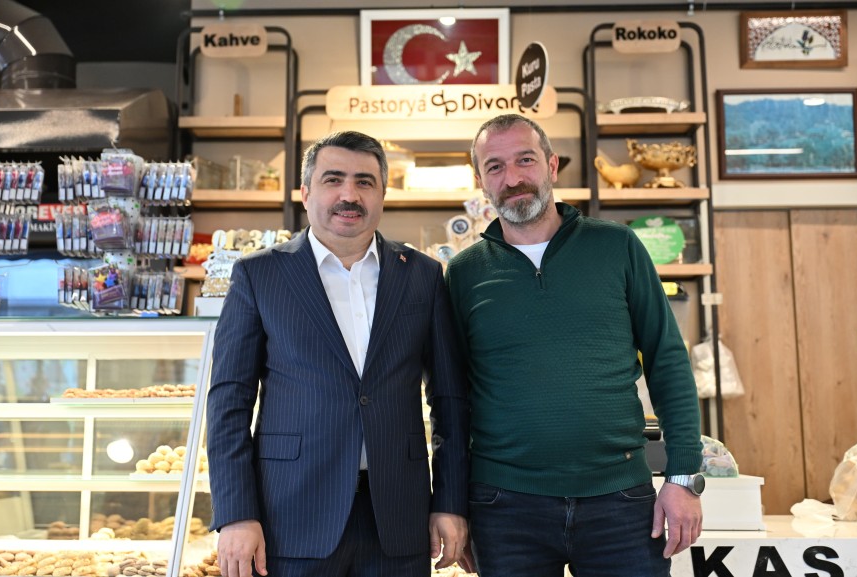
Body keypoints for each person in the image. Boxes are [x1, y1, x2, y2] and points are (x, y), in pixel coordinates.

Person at [444, 114, 704, 577]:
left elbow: (666, 359)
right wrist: (453, 503)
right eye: (495, 166)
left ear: (551, 165)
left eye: (525, 160)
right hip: (504, 507)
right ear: (480, 180)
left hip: (620, 501)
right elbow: (451, 396)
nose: (512, 178)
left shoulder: (617, 246)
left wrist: (683, 476)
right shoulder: (464, 273)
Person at [207, 130, 470, 577]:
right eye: (333, 179)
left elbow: (450, 399)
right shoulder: (259, 275)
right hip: (290, 516)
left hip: (400, 517)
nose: (349, 195)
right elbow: (228, 402)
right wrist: (236, 513)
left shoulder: (422, 275)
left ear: (382, 194)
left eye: (365, 182)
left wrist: (449, 501)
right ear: (306, 192)